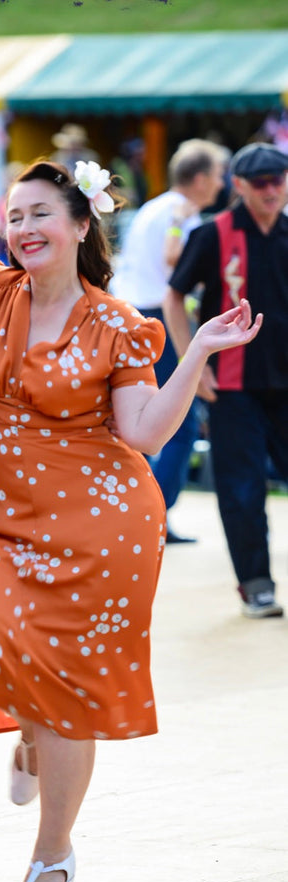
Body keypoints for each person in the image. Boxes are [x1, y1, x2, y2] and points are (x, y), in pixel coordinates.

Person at [0, 158, 262, 882]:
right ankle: (26, 733)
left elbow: (143, 432)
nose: (23, 228)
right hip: (4, 515)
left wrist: (200, 352)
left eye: (40, 213)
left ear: (81, 225)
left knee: (65, 695)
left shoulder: (114, 323)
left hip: (101, 525)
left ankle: (52, 858)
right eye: (14, 216)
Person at [164, 141, 288, 619]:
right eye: (261, 182)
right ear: (238, 185)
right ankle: (255, 583)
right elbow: (174, 297)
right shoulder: (213, 233)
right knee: (242, 488)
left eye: (279, 180)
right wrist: (191, 364)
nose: (272, 190)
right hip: (233, 385)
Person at [112, 138, 228, 543]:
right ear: (198, 178)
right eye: (217, 175)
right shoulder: (182, 214)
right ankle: (154, 513)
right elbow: (172, 257)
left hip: (129, 314)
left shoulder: (153, 207)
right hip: (159, 318)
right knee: (180, 421)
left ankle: (135, 510)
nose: (221, 184)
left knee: (139, 418)